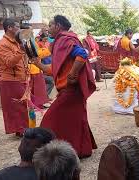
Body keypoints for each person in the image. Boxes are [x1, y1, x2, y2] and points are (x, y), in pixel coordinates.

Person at [32, 15, 97, 158]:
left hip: (71, 90)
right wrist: (38, 64)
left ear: (58, 26)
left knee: (50, 118)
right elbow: (55, 68)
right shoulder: (60, 42)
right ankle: (81, 150)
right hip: (71, 90)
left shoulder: (65, 40)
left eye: (50, 25)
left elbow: (82, 54)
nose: (48, 29)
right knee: (76, 119)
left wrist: (73, 74)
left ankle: (45, 152)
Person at [0, 18, 29, 137]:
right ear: (9, 28)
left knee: (23, 106)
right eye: (16, 26)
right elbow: (9, 62)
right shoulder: (2, 44)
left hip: (21, 78)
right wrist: (21, 51)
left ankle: (23, 129)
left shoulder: (16, 42)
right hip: (11, 80)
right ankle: (21, 130)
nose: (19, 29)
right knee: (16, 107)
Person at [21, 23, 49, 108]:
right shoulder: (26, 42)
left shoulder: (30, 40)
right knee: (35, 88)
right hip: (32, 68)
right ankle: (35, 105)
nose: (32, 32)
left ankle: (37, 104)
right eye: (31, 30)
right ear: (25, 31)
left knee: (38, 88)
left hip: (35, 67)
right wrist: (49, 50)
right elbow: (35, 54)